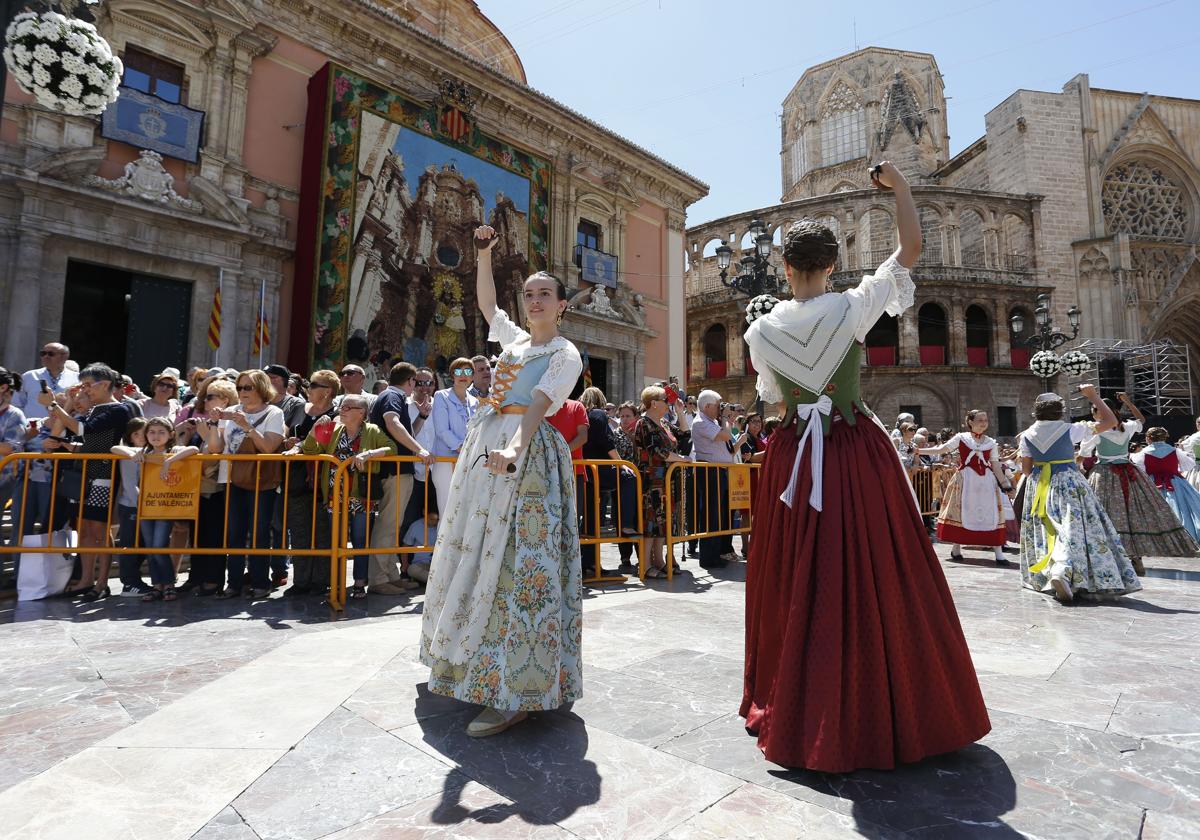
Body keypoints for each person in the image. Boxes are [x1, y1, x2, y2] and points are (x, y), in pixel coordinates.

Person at [740, 162, 990, 772]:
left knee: (796, 573)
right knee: (882, 569)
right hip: (855, 450)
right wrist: (902, 188)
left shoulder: (759, 331)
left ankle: (797, 698)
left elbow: (773, 400)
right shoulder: (852, 307)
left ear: (784, 269)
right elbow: (909, 249)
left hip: (794, 456)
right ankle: (890, 699)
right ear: (831, 264)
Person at [420, 224, 583, 739]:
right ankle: (463, 664)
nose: (534, 301)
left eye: (544, 295)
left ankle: (517, 689)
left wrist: (515, 447)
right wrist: (483, 255)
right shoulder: (513, 342)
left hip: (527, 456)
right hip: (483, 446)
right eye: (529, 294)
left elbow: (539, 404)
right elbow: (488, 306)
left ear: (561, 305)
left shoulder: (564, 353)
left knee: (518, 561)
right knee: (471, 551)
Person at [1018, 388, 1141, 604]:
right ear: (1059, 412)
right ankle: (1064, 571)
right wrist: (1093, 397)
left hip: (1039, 485)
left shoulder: (1026, 435)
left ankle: (1053, 570)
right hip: (1068, 481)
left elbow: (1026, 470)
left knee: (1048, 530)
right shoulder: (1070, 429)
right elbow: (1111, 421)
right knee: (1073, 527)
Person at [37, 363, 137, 600]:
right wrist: (68, 406)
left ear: (104, 385)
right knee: (82, 527)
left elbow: (84, 430)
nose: (86, 390)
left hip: (103, 476)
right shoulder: (94, 409)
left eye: (89, 385)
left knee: (100, 529)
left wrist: (53, 405)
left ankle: (101, 582)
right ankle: (86, 580)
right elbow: (77, 438)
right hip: (83, 475)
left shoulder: (118, 410)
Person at [294, 394, 396, 600]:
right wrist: (315, 430)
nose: (342, 409)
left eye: (348, 407)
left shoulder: (372, 431)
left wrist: (368, 454)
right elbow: (311, 449)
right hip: (335, 495)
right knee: (336, 541)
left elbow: (391, 448)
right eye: (342, 406)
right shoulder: (333, 429)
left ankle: (359, 583)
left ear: (362, 413)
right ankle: (336, 582)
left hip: (362, 496)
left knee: (359, 541)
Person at [1083, 393, 1196, 575]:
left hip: (1105, 474)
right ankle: (1136, 558)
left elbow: (1085, 453)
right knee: (1132, 513)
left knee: (1105, 513)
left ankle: (1111, 558)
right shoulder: (1126, 427)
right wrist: (1127, 402)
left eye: (1093, 411)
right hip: (1128, 472)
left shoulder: (1096, 431)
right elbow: (1141, 420)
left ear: (1098, 412)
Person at [204, 369, 285, 599]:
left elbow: (269, 447)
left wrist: (248, 426)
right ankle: (234, 583)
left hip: (261, 480)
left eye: (248, 387)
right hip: (232, 478)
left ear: (261, 388)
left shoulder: (273, 413)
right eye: (239, 388)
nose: (242, 392)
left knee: (259, 532)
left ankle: (260, 582)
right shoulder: (230, 412)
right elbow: (216, 448)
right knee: (234, 533)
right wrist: (213, 422)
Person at [111, 417, 198, 601]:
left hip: (165, 507)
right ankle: (157, 585)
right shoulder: (144, 451)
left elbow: (194, 449)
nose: (156, 436)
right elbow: (114, 448)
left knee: (159, 546)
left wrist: (169, 460)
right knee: (151, 547)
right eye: (152, 432)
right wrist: (131, 454)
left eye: (161, 432)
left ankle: (169, 584)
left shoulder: (173, 449)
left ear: (170, 435)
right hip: (146, 506)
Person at [367, 362, 434, 595]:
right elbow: (392, 423)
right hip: (393, 470)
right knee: (387, 524)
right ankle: (378, 579)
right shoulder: (392, 395)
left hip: (399, 470)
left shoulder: (392, 396)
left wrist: (422, 417)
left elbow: (403, 429)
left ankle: (391, 575)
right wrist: (419, 450)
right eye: (416, 382)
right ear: (410, 381)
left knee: (392, 524)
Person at [916, 410, 1012, 564]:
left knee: (991, 514)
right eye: (980, 419)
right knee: (962, 512)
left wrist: (1006, 485)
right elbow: (942, 450)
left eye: (985, 420)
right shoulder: (962, 438)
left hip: (986, 482)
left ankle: (998, 552)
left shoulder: (991, 442)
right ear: (970, 422)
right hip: (965, 480)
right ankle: (956, 548)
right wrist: (918, 450)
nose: (983, 422)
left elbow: (995, 465)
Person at [281, 369, 339, 597]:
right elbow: (285, 432)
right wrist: (289, 442)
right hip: (296, 477)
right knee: (299, 529)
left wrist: (302, 444)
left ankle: (320, 580)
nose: (309, 388)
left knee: (322, 530)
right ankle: (301, 580)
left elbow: (325, 440)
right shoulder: (297, 408)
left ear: (328, 391)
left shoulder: (335, 413)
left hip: (323, 479)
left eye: (314, 385)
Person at [634, 385, 689, 578]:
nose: (668, 403)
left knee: (661, 521)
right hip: (652, 479)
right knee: (651, 520)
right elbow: (656, 451)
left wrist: (681, 412)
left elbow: (683, 435)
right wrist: (681, 460)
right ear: (654, 403)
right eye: (666, 400)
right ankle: (646, 565)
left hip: (667, 480)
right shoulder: (644, 423)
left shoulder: (664, 423)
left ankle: (658, 560)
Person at [579, 386, 635, 576]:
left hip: (583, 472)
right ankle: (626, 523)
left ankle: (590, 563)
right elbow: (606, 442)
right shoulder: (598, 414)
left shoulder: (581, 414)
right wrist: (621, 464)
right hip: (599, 470)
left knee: (590, 520)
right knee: (629, 477)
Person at [690, 389, 741, 569]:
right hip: (710, 471)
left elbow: (727, 443)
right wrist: (726, 418)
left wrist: (726, 419)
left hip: (718, 471)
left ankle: (717, 553)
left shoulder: (711, 421)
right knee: (711, 515)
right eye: (718, 406)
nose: (720, 409)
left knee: (718, 514)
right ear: (707, 406)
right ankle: (709, 557)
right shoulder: (700, 422)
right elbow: (726, 435)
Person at [1131, 426, 1200, 544]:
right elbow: (1189, 465)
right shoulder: (1175, 450)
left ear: (1148, 438)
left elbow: (1139, 470)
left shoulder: (1143, 453)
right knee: (1185, 508)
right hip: (1175, 482)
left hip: (1153, 483)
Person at [429, 358, 479, 516]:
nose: (463, 375)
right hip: (445, 461)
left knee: (466, 511)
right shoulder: (441, 396)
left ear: (472, 376)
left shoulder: (475, 402)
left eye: (468, 371)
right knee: (447, 511)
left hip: (469, 462)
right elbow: (442, 430)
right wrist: (463, 449)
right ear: (452, 375)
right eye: (458, 371)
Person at [548, 396, 589, 573]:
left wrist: (560, 451)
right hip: (548, 471)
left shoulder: (577, 407)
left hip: (574, 471)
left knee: (572, 519)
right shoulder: (542, 406)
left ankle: (571, 569)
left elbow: (582, 436)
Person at [111, 418, 152, 596]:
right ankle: (129, 583)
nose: (144, 436)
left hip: (144, 506)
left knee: (142, 545)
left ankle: (133, 580)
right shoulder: (131, 455)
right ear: (132, 436)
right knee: (131, 545)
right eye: (137, 433)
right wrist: (142, 506)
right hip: (133, 507)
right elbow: (129, 485)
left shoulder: (149, 452)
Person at [13, 342, 79, 421]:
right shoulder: (29, 376)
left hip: (62, 428)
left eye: (51, 354)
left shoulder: (77, 378)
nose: (46, 356)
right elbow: (16, 403)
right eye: (43, 353)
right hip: (33, 429)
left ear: (64, 356)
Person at [401, 511, 439, 583]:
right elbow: (405, 546)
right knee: (412, 570)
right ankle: (436, 581)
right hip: (421, 564)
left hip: (438, 564)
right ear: (425, 513)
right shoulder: (416, 526)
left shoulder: (442, 525)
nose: (434, 523)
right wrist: (405, 564)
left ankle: (432, 581)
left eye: (437, 520)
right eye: (431, 519)